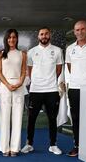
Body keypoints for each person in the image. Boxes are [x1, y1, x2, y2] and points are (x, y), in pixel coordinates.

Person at [21, 27, 64, 155]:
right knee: (31, 119)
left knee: (52, 118)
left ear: (49, 35)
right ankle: (29, 144)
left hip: (51, 90)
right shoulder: (32, 52)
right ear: (38, 37)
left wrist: (49, 80)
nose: (44, 36)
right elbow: (30, 70)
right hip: (35, 90)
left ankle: (53, 145)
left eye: (46, 34)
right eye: (41, 34)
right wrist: (38, 80)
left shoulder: (57, 51)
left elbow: (58, 70)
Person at [65, 20, 86, 157]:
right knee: (76, 118)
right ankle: (77, 145)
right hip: (74, 88)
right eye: (77, 30)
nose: (80, 32)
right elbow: (69, 67)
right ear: (74, 32)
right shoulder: (70, 48)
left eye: (82, 29)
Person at [0, 29, 26, 157]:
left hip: (19, 86)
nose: (11, 40)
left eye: (14, 37)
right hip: (5, 86)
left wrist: (19, 83)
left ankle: (15, 148)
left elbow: (24, 71)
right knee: (5, 117)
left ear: (17, 39)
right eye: (9, 37)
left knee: (18, 117)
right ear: (6, 39)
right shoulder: (0, 54)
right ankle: (5, 147)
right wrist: (7, 84)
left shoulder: (22, 54)